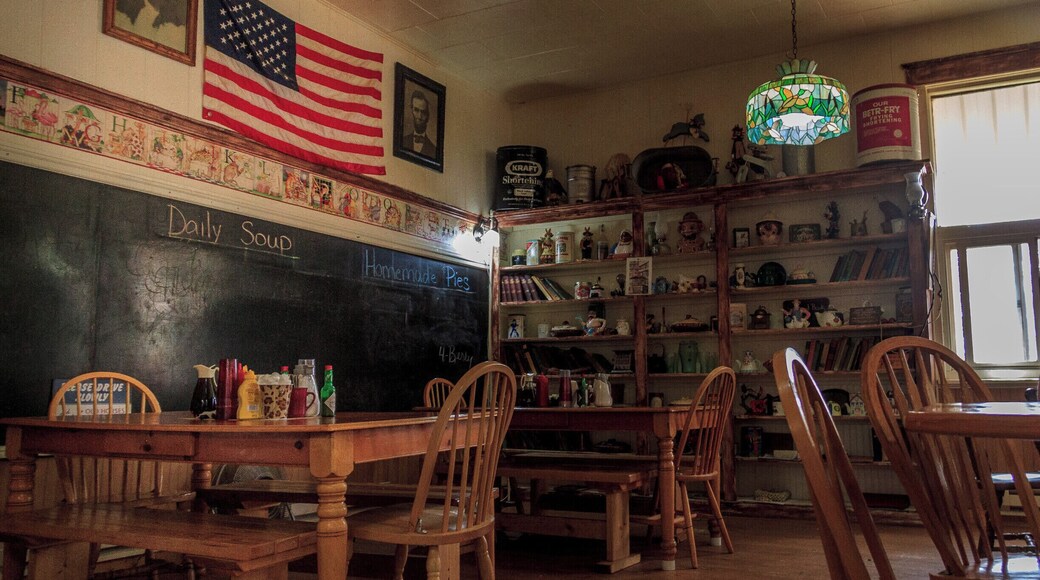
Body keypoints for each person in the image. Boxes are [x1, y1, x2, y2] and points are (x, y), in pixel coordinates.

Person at [403, 90, 435, 157]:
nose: (419, 116)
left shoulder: (433, 150)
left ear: (428, 116)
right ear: (412, 110)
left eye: (423, 112)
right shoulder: (403, 141)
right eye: (416, 110)